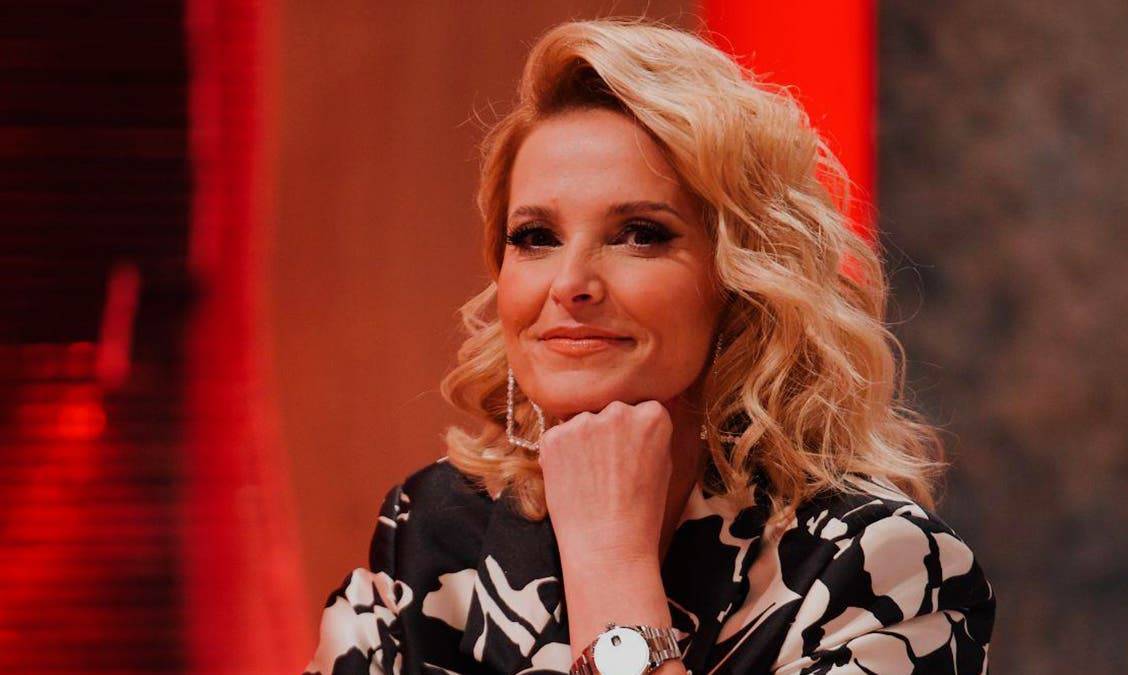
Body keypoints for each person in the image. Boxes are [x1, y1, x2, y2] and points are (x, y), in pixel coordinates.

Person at [302, 17, 994, 675]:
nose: (570, 284)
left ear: (744, 278)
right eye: (536, 238)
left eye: (640, 234)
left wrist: (610, 562)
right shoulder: (430, 530)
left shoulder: (883, 565)